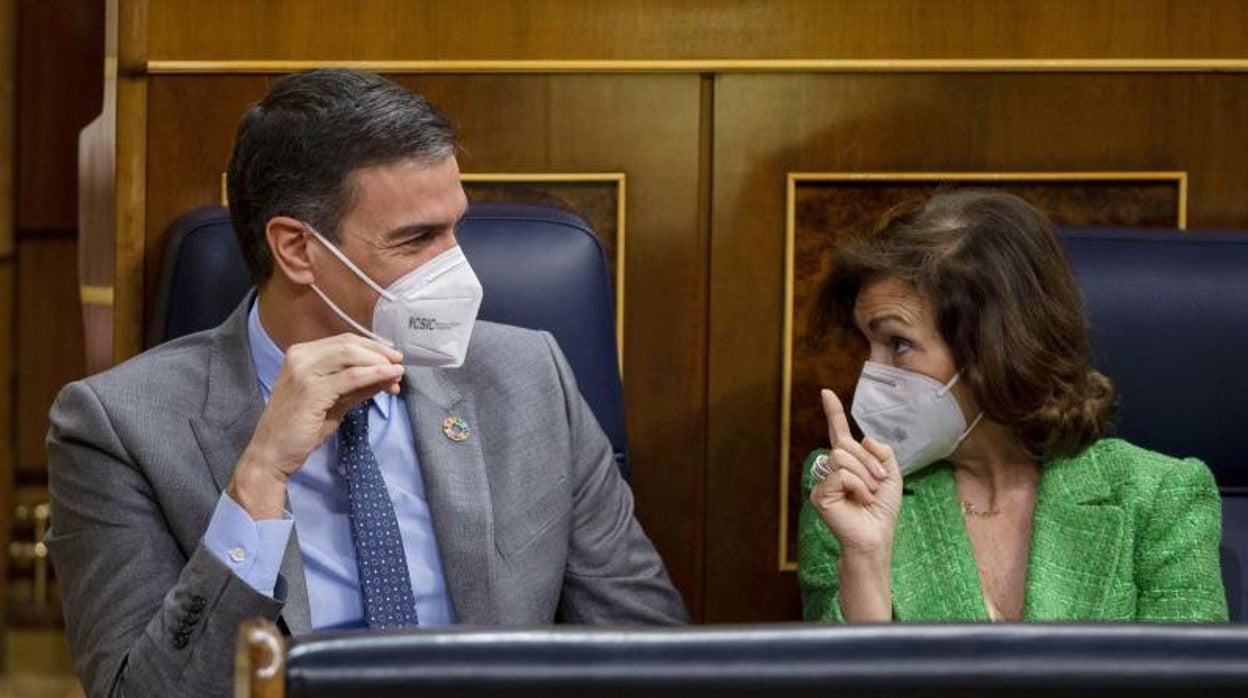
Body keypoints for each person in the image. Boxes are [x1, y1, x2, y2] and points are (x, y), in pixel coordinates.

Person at [46, 68, 687, 697]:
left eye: (454, 229)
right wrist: (260, 480)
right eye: (417, 239)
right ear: (297, 249)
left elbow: (649, 652)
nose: (458, 269)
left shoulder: (528, 377)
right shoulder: (116, 426)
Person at [798, 191, 1227, 623]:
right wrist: (867, 562)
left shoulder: (1158, 498)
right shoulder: (844, 491)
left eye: (899, 343)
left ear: (993, 348)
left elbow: (1193, 683)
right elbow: (845, 685)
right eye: (866, 345)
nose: (870, 375)